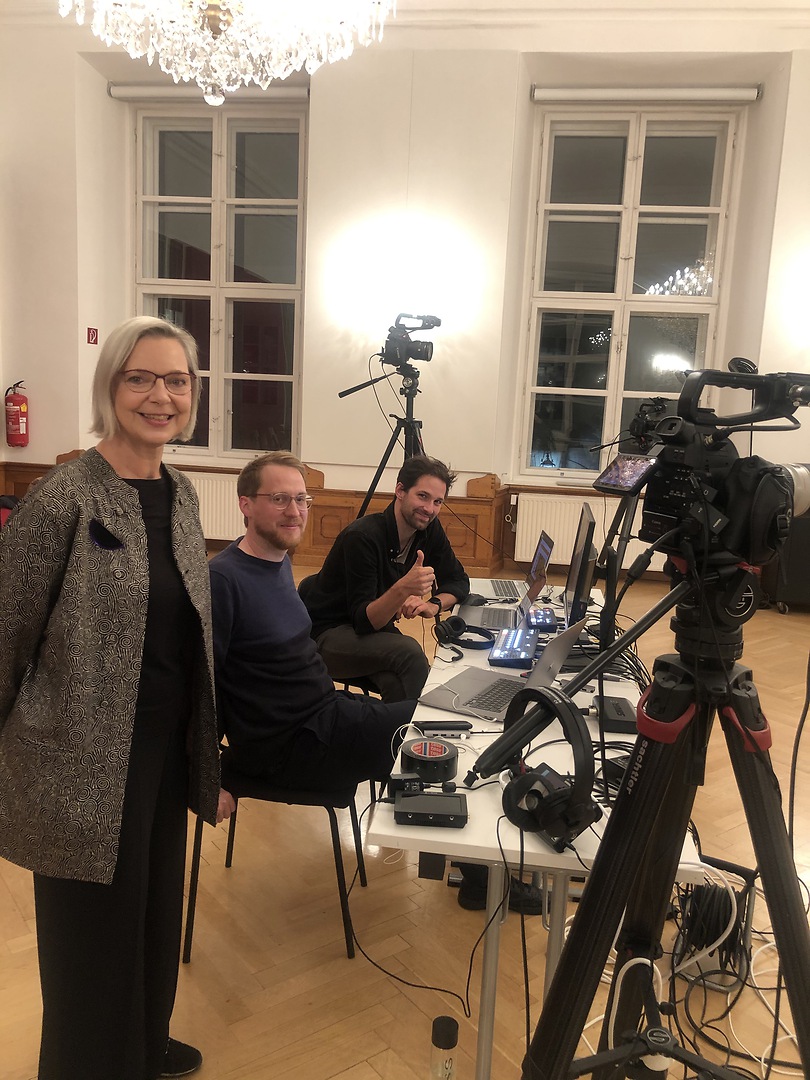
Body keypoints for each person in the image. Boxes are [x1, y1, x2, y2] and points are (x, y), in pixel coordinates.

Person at [0, 316, 222, 1080]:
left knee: (153, 915)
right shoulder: (64, 496)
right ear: (111, 387)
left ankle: (142, 1046)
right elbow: (7, 632)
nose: (161, 396)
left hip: (163, 749)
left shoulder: (181, 494)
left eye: (176, 381)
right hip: (79, 761)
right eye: (141, 378)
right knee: (89, 940)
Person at [209, 451, 415, 791]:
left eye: (301, 499)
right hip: (288, 745)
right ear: (246, 504)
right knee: (424, 731)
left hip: (322, 713)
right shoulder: (222, 580)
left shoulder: (278, 561)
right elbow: (203, 685)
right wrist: (207, 780)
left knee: (433, 719)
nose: (294, 511)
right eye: (279, 499)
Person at [301, 455, 470, 703]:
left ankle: (398, 727)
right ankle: (420, 725)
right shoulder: (362, 537)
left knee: (397, 679)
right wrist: (403, 589)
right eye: (422, 496)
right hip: (327, 634)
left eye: (437, 502)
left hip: (371, 632)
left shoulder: (428, 529)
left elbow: (459, 581)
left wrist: (432, 605)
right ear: (400, 491)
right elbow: (365, 621)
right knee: (410, 653)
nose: (429, 509)